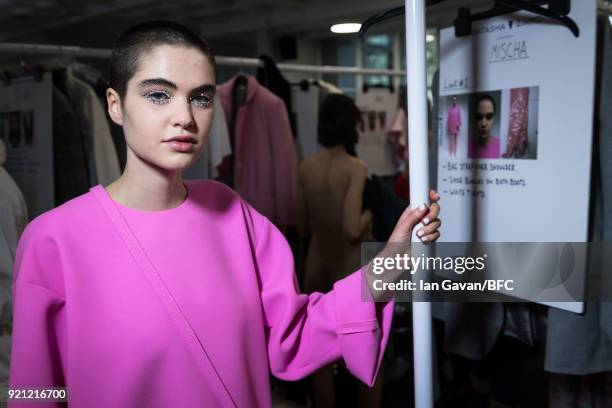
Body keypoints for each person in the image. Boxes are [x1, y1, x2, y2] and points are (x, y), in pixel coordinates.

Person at [8, 20, 441, 408]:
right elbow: (34, 389)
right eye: (158, 95)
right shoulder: (53, 241)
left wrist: (391, 262)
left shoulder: (235, 215)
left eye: (200, 98)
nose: (184, 117)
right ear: (115, 104)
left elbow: (293, 337)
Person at [468, 95, 500, 159]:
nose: (483, 124)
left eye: (489, 117)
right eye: (479, 117)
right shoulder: (468, 147)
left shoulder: (501, 147)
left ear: (494, 118)